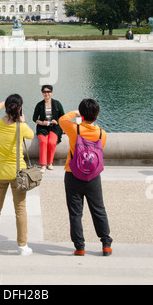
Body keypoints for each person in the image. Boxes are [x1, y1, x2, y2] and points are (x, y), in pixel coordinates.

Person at [59, 99, 113, 256]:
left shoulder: (74, 129)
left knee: (76, 212)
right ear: (97, 115)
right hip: (93, 176)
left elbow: (62, 119)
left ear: (82, 115)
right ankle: (106, 244)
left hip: (73, 173)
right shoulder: (102, 134)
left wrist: (75, 113)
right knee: (98, 209)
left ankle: (80, 247)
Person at [0, 94, 34, 256]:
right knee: (20, 210)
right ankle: (22, 246)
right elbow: (31, 135)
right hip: (17, 174)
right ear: (19, 109)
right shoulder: (21, 127)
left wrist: (3, 102)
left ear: (6, 108)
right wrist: (23, 121)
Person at [32, 85, 64, 173]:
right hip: (42, 128)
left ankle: (49, 163)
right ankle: (43, 164)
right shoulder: (39, 105)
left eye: (49, 91)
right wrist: (42, 123)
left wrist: (56, 121)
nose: (47, 93)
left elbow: (63, 116)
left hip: (55, 128)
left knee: (52, 142)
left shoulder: (57, 104)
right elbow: (34, 118)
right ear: (42, 93)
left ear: (52, 92)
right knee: (43, 142)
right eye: (45, 92)